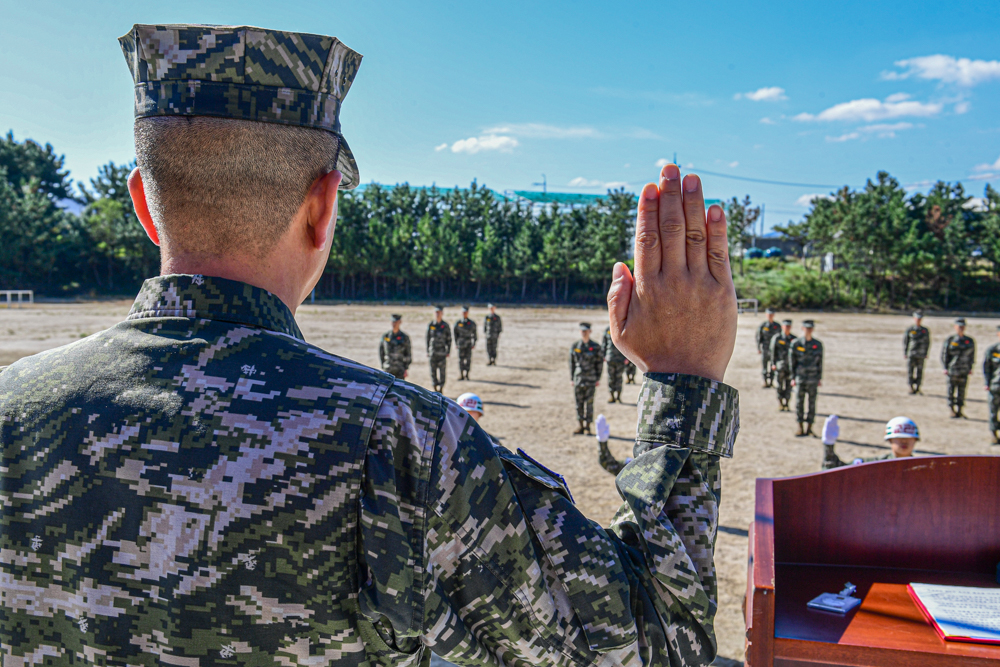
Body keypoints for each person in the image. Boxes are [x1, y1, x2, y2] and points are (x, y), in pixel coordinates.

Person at [0, 29, 740, 666]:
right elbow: (653, 644)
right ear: (323, 207)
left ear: (144, 207)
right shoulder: (408, 444)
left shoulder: (10, 415)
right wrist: (683, 381)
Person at [821, 415, 921, 469]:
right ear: (890, 439)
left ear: (915, 440)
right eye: (899, 437)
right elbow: (835, 473)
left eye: (909, 438)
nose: (904, 441)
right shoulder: (874, 465)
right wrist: (828, 446)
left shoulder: (923, 468)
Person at [790, 319, 823, 437]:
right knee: (799, 403)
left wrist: (819, 378)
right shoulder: (796, 343)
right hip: (800, 378)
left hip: (813, 379)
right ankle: (800, 427)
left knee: (812, 404)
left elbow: (820, 363)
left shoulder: (817, 345)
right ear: (802, 329)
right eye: (806, 328)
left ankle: (809, 428)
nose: (808, 330)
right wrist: (793, 377)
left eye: (810, 328)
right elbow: (792, 362)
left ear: (812, 329)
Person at [570, 322, 604, 434]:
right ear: (580, 332)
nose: (584, 333)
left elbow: (599, 364)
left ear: (590, 331)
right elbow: (572, 364)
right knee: (578, 404)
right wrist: (572, 378)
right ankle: (580, 426)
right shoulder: (575, 346)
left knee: (589, 404)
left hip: (590, 380)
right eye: (582, 331)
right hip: (578, 379)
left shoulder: (595, 347)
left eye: (586, 331)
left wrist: (598, 378)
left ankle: (588, 427)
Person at [941, 317, 975, 418]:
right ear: (955, 327)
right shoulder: (950, 340)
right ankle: (952, 409)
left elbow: (972, 356)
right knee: (951, 390)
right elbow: (944, 354)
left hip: (964, 370)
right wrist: (945, 367)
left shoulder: (969, 341)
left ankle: (960, 410)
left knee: (962, 391)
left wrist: (970, 367)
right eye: (959, 326)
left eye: (962, 326)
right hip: (952, 369)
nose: (961, 328)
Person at [769, 318, 795, 411]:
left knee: (788, 386)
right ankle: (780, 404)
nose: (787, 328)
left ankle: (787, 404)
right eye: (785, 326)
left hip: (790, 368)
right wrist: (773, 364)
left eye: (788, 326)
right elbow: (773, 352)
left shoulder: (794, 339)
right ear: (782, 327)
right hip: (780, 366)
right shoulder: (777, 338)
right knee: (779, 386)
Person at [903, 310, 930, 394]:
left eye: (920, 318)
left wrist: (926, 353)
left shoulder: (925, 330)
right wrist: (905, 352)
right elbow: (906, 341)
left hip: (921, 354)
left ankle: (918, 387)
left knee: (920, 371)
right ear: (914, 318)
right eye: (917, 318)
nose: (918, 320)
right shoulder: (910, 330)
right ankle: (911, 387)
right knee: (910, 371)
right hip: (911, 353)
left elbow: (928, 342)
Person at [379, 313, 412, 379]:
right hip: (388, 368)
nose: (394, 324)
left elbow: (408, 353)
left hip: (400, 369)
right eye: (393, 322)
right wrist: (383, 365)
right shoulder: (386, 336)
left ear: (400, 322)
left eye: (396, 322)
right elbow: (381, 352)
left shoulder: (404, 337)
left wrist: (406, 368)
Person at [427, 305, 452, 392]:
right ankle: (434, 387)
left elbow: (449, 339)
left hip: (442, 352)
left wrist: (448, 351)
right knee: (432, 371)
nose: (437, 314)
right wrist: (427, 350)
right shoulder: (431, 325)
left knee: (442, 372)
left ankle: (441, 388)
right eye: (436, 312)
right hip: (433, 352)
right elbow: (428, 338)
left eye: (439, 312)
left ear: (442, 313)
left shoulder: (445, 326)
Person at [983, 325, 1000, 443]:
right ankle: (994, 435)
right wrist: (987, 383)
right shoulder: (992, 350)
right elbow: (986, 368)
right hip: (995, 386)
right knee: (993, 411)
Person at [756, 307, 781, 388]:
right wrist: (758, 348)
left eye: (771, 314)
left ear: (773, 315)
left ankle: (771, 382)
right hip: (765, 349)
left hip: (774, 351)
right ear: (766, 315)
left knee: (773, 366)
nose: (770, 316)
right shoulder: (763, 326)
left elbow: (780, 338)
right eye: (768, 314)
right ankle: (765, 382)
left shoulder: (777, 326)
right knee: (764, 367)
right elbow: (758, 337)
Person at [602, 324, 627, 403]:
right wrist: (603, 355)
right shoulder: (607, 329)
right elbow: (604, 344)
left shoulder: (623, 328)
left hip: (620, 359)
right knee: (611, 378)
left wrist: (627, 357)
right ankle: (612, 397)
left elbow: (627, 344)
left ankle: (618, 397)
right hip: (610, 358)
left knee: (619, 378)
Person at [453, 305, 478, 380]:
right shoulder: (458, 323)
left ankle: (467, 374)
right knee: (461, 360)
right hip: (461, 344)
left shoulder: (471, 323)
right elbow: (455, 334)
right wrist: (456, 343)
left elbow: (475, 334)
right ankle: (461, 374)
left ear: (468, 313)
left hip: (468, 344)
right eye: (463, 312)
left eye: (466, 312)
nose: (464, 313)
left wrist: (474, 343)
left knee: (468, 360)